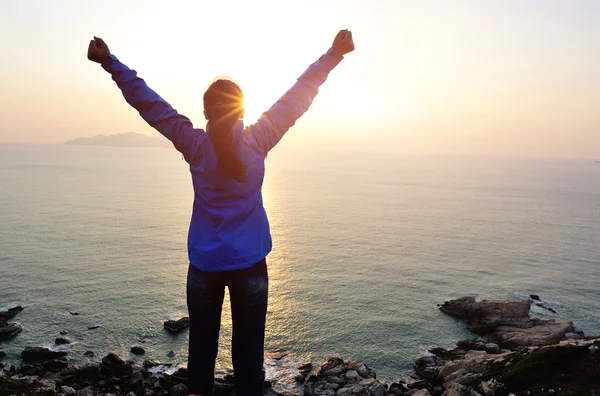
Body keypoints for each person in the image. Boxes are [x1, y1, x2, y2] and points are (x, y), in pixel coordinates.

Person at [87, 29, 355, 396]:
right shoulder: (259, 139)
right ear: (241, 110)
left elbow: (151, 105)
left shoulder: (194, 145)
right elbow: (298, 96)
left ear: (204, 111)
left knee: (201, 351)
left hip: (204, 269)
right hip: (250, 268)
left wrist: (110, 63)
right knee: (248, 355)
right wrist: (334, 54)